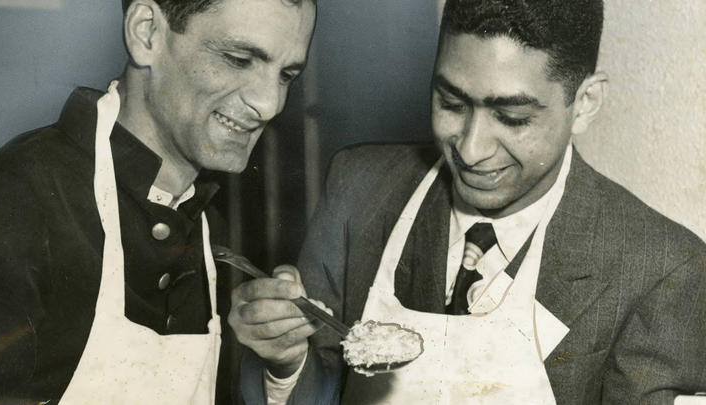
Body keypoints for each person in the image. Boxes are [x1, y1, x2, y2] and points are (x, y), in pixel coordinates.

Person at [230, 0, 706, 403]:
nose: (471, 149)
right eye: (451, 104)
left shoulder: (660, 268)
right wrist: (285, 361)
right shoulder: (360, 187)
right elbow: (318, 381)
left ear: (584, 102)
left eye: (513, 117)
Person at [0, 0, 315, 403]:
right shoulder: (11, 201)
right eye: (239, 58)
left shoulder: (213, 231)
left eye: (286, 76)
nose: (269, 104)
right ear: (147, 33)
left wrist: (279, 369)